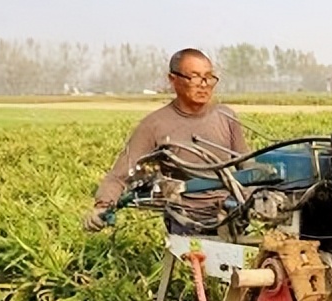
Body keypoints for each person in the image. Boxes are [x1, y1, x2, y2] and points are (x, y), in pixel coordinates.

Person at [83, 48, 248, 234]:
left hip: (229, 213)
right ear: (173, 80)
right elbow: (120, 175)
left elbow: (248, 167)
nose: (204, 84)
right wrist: (102, 206)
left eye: (209, 77)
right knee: (196, 260)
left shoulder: (227, 117)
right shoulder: (154, 125)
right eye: (194, 77)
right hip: (185, 218)